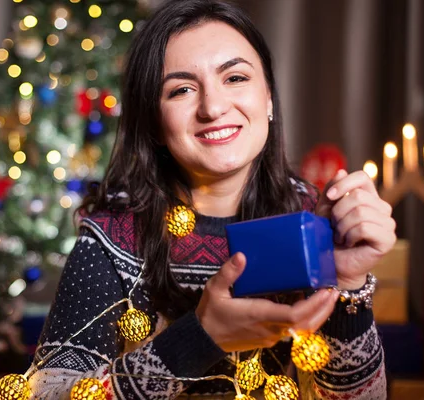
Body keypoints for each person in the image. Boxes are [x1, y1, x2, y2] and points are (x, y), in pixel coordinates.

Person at [28, 0, 395, 398]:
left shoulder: (315, 221)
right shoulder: (114, 233)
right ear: (153, 119)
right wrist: (198, 338)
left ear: (269, 97)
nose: (214, 107)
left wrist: (345, 284)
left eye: (235, 78)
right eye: (182, 89)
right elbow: (48, 394)